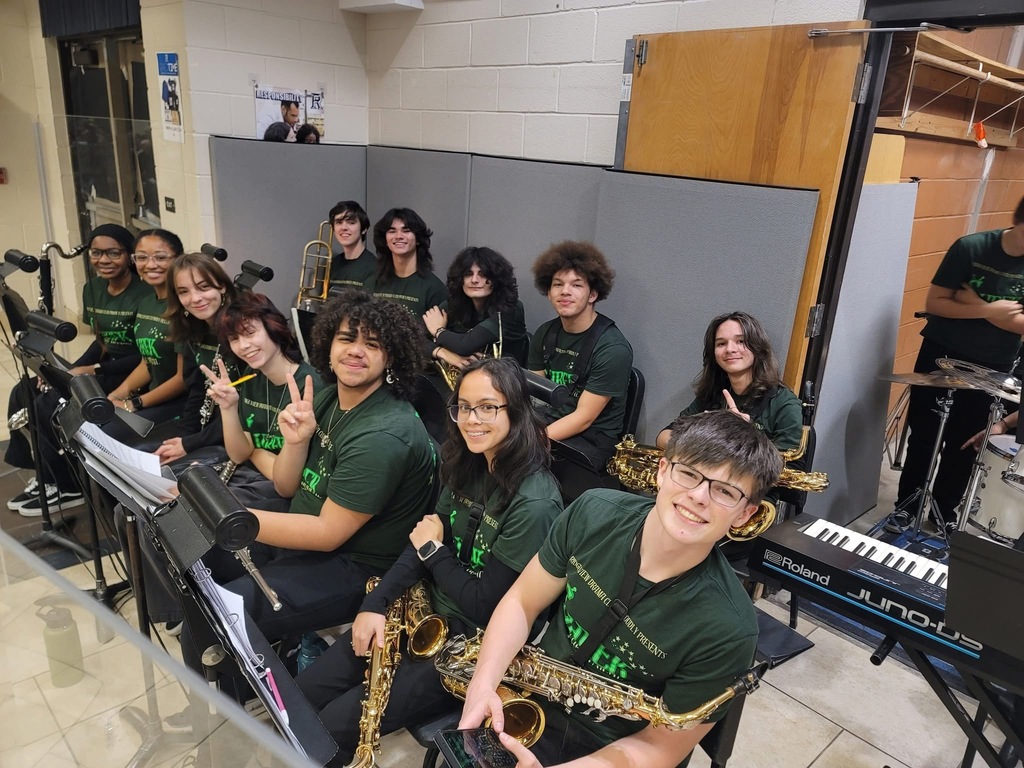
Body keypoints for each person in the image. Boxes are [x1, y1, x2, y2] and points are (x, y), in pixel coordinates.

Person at [457, 411, 781, 768]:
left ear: (745, 515)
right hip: (528, 700)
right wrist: (483, 683)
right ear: (661, 471)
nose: (699, 496)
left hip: (617, 749)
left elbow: (661, 748)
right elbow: (522, 601)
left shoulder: (729, 629)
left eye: (724, 490)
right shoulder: (593, 512)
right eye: (688, 473)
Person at [295, 357, 562, 766]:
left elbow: (482, 606)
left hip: (469, 645)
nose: (471, 419)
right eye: (464, 407)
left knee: (332, 727)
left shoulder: (535, 502)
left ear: (517, 412)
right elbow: (421, 541)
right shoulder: (469, 460)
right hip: (421, 610)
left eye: (488, 407)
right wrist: (376, 603)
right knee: (302, 694)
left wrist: (433, 551)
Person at [214, 290, 438, 640]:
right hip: (310, 527)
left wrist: (227, 516)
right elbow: (286, 487)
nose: (355, 351)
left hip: (355, 565)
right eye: (346, 339)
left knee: (222, 617)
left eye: (373, 344)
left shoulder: (384, 434)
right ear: (328, 345)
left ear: (391, 358)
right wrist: (296, 441)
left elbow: (327, 534)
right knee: (206, 559)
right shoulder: (328, 397)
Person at [892, 196, 1024, 535]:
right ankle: (906, 506)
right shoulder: (971, 248)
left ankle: (943, 512)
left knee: (965, 443)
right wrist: (991, 310)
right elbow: (935, 303)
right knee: (924, 434)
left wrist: (971, 302)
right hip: (940, 352)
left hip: (994, 363)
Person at [7, 223, 150, 515]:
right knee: (24, 390)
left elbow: (145, 355)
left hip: (132, 373)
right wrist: (71, 368)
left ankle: (69, 485)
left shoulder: (144, 293)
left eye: (114, 253)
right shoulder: (94, 288)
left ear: (129, 255)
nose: (104, 260)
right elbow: (102, 342)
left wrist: (90, 370)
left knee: (52, 403)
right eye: (96, 253)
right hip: (105, 367)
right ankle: (46, 474)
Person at [201, 292, 322, 511]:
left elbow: (289, 485)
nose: (243, 345)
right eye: (234, 339)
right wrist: (228, 408)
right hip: (253, 478)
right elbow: (239, 453)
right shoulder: (252, 376)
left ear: (273, 327)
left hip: (287, 497)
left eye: (249, 333)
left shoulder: (311, 386)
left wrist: (254, 451)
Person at [527, 241, 633, 472]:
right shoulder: (544, 333)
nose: (565, 291)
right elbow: (534, 396)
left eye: (576, 285)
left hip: (588, 442)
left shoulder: (613, 348)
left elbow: (584, 417)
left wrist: (528, 441)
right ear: (548, 291)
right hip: (549, 422)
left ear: (593, 293)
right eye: (557, 284)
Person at [655, 311, 802, 455]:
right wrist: (699, 445)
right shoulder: (712, 394)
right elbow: (664, 436)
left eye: (741, 341)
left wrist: (744, 436)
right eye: (721, 343)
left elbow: (791, 468)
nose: (730, 349)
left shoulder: (785, 403)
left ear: (758, 347)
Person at [149, 252, 239, 466]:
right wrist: (180, 440)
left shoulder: (242, 332)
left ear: (222, 287)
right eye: (184, 292)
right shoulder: (193, 330)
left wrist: (189, 444)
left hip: (238, 436)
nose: (195, 298)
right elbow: (197, 393)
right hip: (209, 430)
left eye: (203, 287)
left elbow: (247, 412)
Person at [104, 229, 187, 436]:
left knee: (110, 431)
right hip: (154, 395)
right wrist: (117, 395)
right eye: (142, 258)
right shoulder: (147, 302)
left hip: (181, 404)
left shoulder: (185, 307)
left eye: (160, 257)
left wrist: (134, 404)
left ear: (178, 259)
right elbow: (148, 362)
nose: (150, 265)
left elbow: (182, 379)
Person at [423, 246, 529, 375]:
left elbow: (465, 345)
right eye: (468, 274)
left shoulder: (511, 308)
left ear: (497, 279)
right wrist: (444, 353)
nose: (474, 280)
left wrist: (438, 331)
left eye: (483, 274)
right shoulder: (453, 305)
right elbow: (413, 339)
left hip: (505, 383)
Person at [365, 207, 446, 319]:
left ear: (418, 239)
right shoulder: (372, 282)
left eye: (406, 231)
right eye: (392, 231)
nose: (398, 236)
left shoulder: (434, 289)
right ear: (385, 240)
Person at [327, 201, 376, 291]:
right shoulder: (332, 264)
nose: (344, 227)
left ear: (364, 229)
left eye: (351, 222)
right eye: (339, 222)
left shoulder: (374, 267)